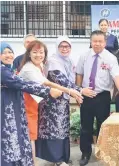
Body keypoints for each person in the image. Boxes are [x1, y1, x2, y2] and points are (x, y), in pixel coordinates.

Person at [18, 40, 83, 165]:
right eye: (35, 52)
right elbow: (47, 83)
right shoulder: (29, 68)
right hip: (25, 105)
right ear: (29, 53)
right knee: (31, 135)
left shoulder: (43, 65)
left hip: (35, 104)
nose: (38, 55)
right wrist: (70, 91)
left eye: (41, 52)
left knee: (34, 135)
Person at [35, 36, 96, 166]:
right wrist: (80, 90)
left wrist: (77, 91)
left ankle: (63, 156)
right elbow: (62, 81)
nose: (64, 49)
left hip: (63, 100)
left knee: (63, 128)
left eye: (67, 46)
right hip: (52, 102)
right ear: (57, 48)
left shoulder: (68, 61)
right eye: (61, 46)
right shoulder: (53, 62)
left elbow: (71, 80)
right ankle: (57, 158)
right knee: (54, 129)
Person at [1, 42, 62, 166]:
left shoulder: (9, 69)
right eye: (3, 53)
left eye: (10, 52)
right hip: (7, 112)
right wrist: (48, 92)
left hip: (15, 109)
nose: (8, 55)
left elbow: (23, 82)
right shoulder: (2, 71)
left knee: (19, 139)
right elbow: (23, 84)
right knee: (10, 141)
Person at [76, 30, 119, 166]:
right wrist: (78, 91)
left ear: (105, 43)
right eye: (95, 41)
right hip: (86, 95)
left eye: (100, 41)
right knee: (85, 127)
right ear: (91, 42)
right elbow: (79, 74)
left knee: (102, 126)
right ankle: (85, 153)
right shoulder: (84, 56)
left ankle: (102, 151)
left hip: (102, 96)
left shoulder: (110, 58)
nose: (97, 44)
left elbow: (116, 75)